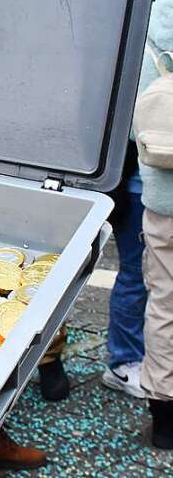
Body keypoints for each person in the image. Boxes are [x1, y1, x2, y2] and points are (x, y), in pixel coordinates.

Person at [134, 0, 173, 449]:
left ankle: (164, 418)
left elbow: (132, 126)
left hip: (162, 200)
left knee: (163, 304)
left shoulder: (150, 31)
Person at [101, 142, 147, 399]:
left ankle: (129, 358)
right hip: (139, 187)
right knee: (136, 275)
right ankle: (124, 362)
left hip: (146, 185)